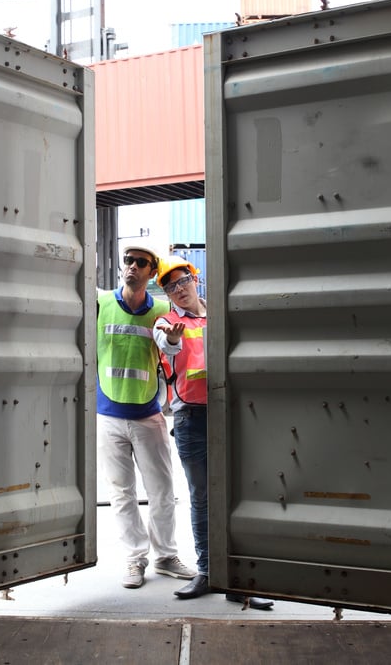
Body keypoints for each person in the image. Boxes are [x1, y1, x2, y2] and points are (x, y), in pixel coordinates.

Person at [153, 256, 274, 610]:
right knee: (202, 496)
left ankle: (239, 580)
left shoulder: (222, 313)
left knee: (238, 495)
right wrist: (172, 340)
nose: (179, 290)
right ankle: (207, 572)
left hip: (229, 413)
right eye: (170, 286)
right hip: (191, 417)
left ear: (196, 279)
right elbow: (167, 345)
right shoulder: (167, 322)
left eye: (183, 281)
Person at [97, 243, 197, 589]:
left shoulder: (160, 310)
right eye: (129, 261)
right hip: (108, 416)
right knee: (122, 493)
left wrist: (170, 341)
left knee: (162, 491)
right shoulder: (102, 303)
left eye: (142, 263)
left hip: (148, 416)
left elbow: (168, 342)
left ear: (151, 272)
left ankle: (166, 556)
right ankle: (134, 560)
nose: (133, 267)